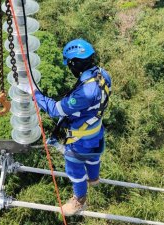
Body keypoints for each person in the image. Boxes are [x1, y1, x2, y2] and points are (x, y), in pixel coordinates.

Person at [22, 39, 111, 215]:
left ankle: (80, 200)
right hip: (96, 131)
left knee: (74, 169)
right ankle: (94, 178)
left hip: (80, 139)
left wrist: (35, 93)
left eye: (70, 64)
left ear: (75, 63)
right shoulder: (102, 74)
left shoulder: (85, 93)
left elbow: (56, 109)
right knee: (94, 157)